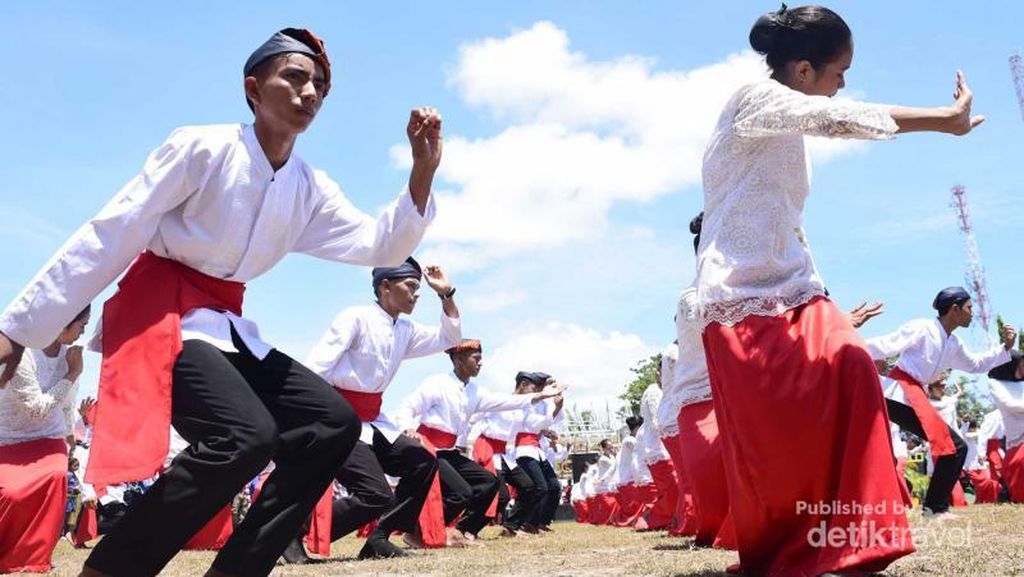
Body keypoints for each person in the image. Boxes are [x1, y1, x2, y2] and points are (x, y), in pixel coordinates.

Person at [0, 27, 443, 577]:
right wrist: (18, 327)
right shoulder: (201, 147)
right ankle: (111, 568)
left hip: (228, 327)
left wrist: (421, 172)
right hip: (164, 315)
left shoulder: (309, 187)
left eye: (321, 87)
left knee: (331, 422)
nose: (310, 93)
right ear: (253, 89)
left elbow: (381, 244)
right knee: (245, 436)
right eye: (296, 77)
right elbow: (113, 231)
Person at [697, 4, 989, 573]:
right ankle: (786, 541)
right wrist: (944, 119)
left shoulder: (784, 121)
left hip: (795, 283)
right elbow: (842, 120)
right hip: (739, 290)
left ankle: (854, 536)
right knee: (775, 433)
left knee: (854, 366)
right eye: (838, 73)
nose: (842, 85)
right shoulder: (754, 101)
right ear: (802, 71)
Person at [304, 258, 460, 558]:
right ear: (385, 286)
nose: (416, 294)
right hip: (341, 419)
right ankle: (292, 534)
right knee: (375, 494)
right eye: (411, 286)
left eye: (419, 288)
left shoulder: (405, 329)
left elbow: (449, 338)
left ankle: (379, 537)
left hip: (375, 420)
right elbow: (317, 368)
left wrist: (446, 293)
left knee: (422, 461)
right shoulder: (356, 317)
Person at [392, 339, 564, 542]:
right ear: (458, 360)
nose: (481, 363)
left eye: (481, 359)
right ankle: (417, 531)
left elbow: (508, 401)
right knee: (461, 492)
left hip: (450, 451)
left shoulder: (475, 391)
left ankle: (465, 530)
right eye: (476, 358)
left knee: (488, 482)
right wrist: (407, 427)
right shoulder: (437, 383)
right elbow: (408, 406)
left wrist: (542, 395)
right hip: (431, 448)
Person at [867, 287, 1016, 516]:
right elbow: (884, 346)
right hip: (897, 393)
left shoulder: (953, 343)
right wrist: (846, 345)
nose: (971, 313)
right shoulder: (922, 328)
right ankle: (934, 508)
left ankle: (934, 507)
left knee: (955, 449)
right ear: (954, 309)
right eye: (968, 308)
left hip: (913, 395)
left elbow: (976, 364)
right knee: (955, 448)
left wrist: (1005, 348)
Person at [0, 307, 89, 573]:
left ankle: (29, 558)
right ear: (60, 323)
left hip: (48, 436)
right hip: (8, 437)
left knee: (54, 476)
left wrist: (69, 433)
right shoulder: (21, 353)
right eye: (81, 324)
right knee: (11, 494)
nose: (84, 330)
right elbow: (36, 408)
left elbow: (67, 399)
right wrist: (73, 373)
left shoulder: (71, 355)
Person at [987, 353, 1024, 502]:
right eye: (1022, 363)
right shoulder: (995, 384)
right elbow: (1010, 404)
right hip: (1016, 437)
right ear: (1012, 364)